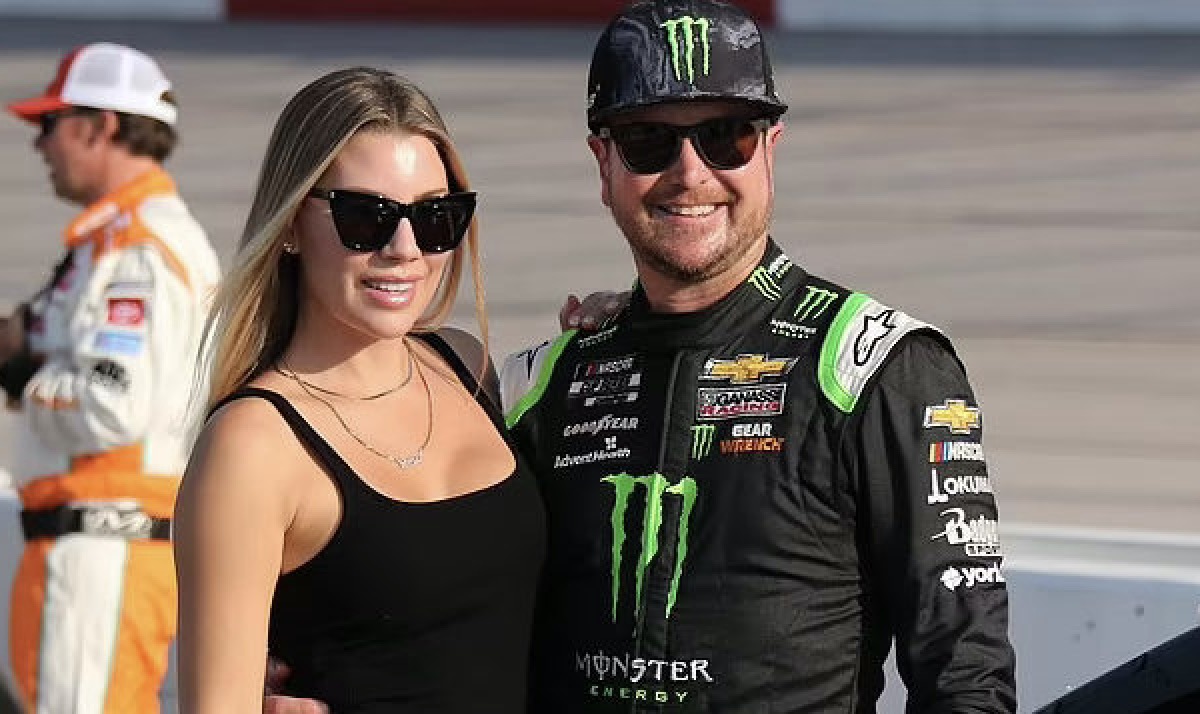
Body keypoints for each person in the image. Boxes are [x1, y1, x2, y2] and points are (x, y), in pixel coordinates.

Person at [498, 0, 1018, 711]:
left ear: (770, 148)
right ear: (604, 162)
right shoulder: (543, 385)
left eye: (725, 137)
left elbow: (966, 676)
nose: (690, 173)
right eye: (649, 141)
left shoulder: (876, 367)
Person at [172, 67, 545, 714]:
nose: (405, 248)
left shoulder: (468, 366)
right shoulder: (252, 447)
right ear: (291, 224)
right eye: (366, 217)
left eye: (435, 216)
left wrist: (621, 320)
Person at [0, 43, 220, 713]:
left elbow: (111, 403)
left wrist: (22, 371)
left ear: (101, 126)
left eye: (51, 123)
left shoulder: (139, 249)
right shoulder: (110, 241)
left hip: (103, 553)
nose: (40, 144)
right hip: (84, 548)